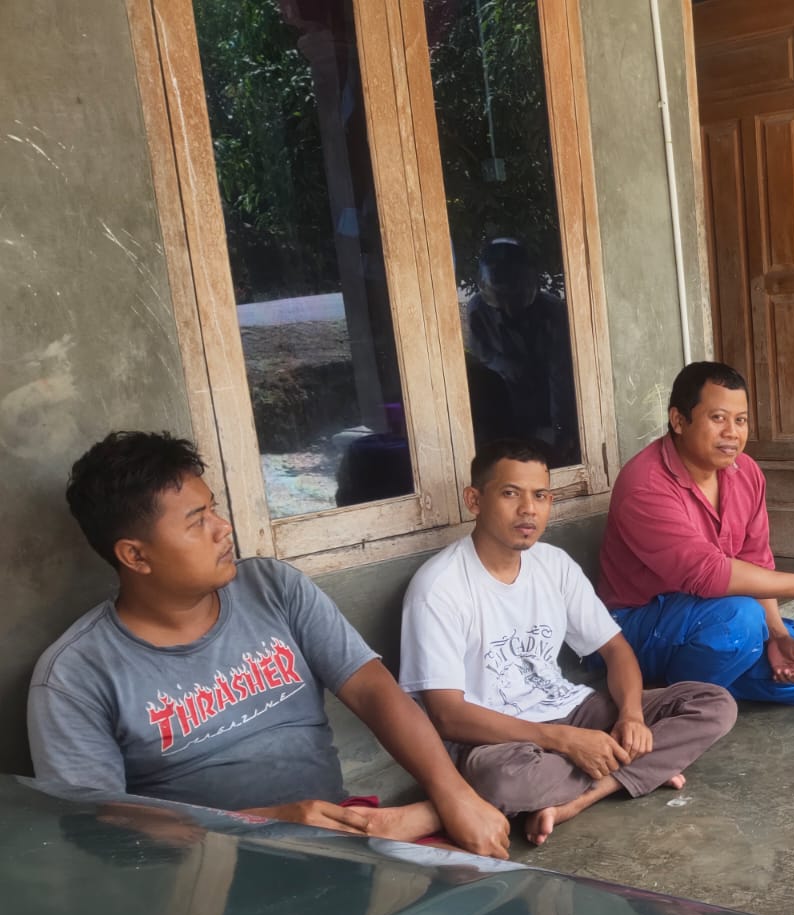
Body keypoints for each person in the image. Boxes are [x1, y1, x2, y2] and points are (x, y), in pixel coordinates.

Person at [27, 432, 513, 858]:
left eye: (213, 508)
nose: (223, 528)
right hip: (205, 877)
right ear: (135, 555)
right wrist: (267, 822)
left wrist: (452, 792)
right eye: (197, 521)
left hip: (339, 835)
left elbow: (371, 689)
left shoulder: (271, 588)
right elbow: (101, 825)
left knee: (483, 877)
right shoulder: (76, 675)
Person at [399, 438, 737, 846]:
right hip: (497, 739)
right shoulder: (439, 586)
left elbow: (615, 649)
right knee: (504, 782)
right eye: (510, 494)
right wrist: (565, 742)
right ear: (475, 500)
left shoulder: (553, 564)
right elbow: (447, 716)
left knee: (714, 704)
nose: (528, 509)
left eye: (540, 496)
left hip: (573, 710)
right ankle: (638, 769)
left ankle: (581, 797)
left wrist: (630, 716)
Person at [598, 361, 794, 705]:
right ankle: (666, 699)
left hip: (713, 616)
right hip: (634, 625)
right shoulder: (645, 483)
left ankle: (687, 682)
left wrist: (775, 634)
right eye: (718, 418)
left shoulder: (746, 472)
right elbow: (707, 575)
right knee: (740, 620)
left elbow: (755, 562)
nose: (732, 433)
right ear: (678, 420)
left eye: (740, 420)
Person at [466, 237, 580, 464]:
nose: (510, 308)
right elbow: (482, 358)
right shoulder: (478, 311)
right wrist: (506, 366)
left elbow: (560, 375)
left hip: (546, 406)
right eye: (502, 297)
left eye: (515, 297)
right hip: (502, 409)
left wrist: (561, 431)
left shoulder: (553, 311)